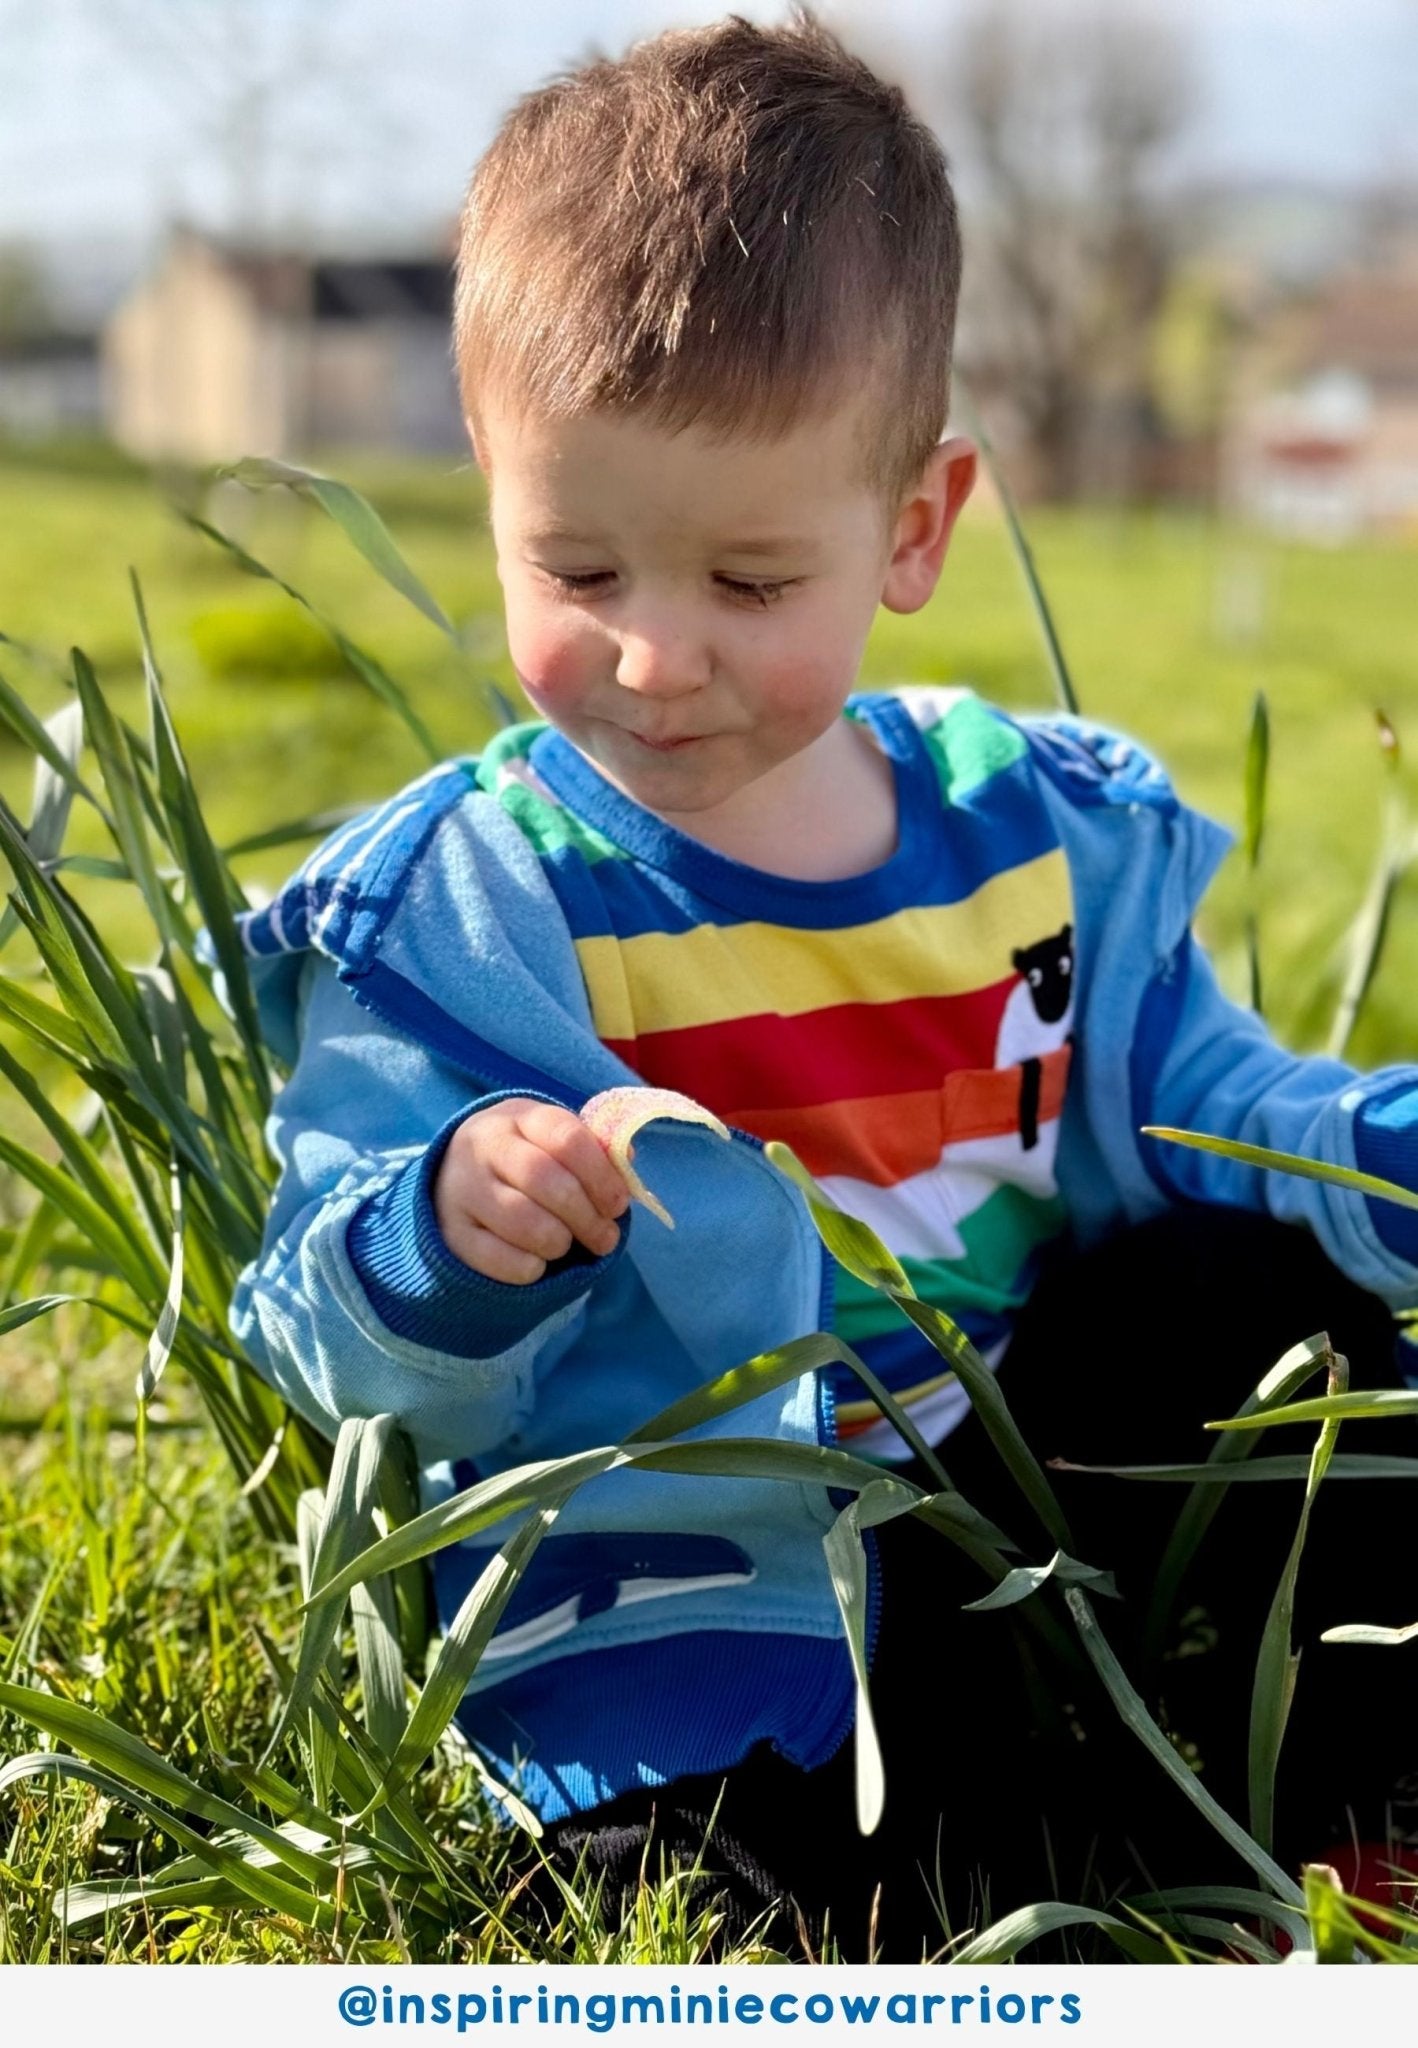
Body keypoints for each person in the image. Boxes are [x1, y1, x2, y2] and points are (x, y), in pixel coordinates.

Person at [229, 7, 1418, 1959]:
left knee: (1267, 1309)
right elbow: (326, 1338)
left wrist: (1362, 1147)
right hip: (699, 1577)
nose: (653, 657)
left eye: (750, 584)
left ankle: (1348, 1823)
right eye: (579, 569)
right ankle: (1022, 1844)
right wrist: (439, 1230)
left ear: (913, 526)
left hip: (1014, 1490)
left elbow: (1204, 1102)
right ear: (489, 487)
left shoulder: (1027, 836)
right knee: (767, 1901)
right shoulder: (470, 912)